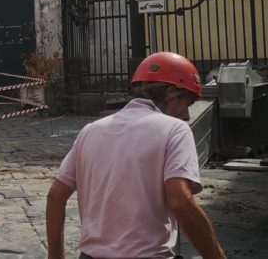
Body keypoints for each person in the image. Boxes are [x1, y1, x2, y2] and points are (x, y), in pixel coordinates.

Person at [46, 52, 225, 259]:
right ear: (170, 93)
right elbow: (180, 202)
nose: (186, 115)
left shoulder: (90, 130)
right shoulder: (175, 130)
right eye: (188, 104)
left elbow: (55, 196)